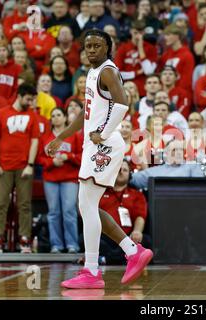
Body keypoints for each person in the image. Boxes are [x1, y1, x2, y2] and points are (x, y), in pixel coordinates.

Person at [46, 29, 153, 289]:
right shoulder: (93, 73)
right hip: (97, 143)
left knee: (86, 204)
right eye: (88, 46)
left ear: (107, 48)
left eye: (97, 46)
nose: (91, 50)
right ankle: (129, 251)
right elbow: (88, 111)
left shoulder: (107, 70)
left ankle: (95, 270)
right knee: (88, 206)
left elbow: (123, 103)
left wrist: (102, 133)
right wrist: (62, 137)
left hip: (104, 144)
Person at [0, 84, 40, 254]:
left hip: (23, 167)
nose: (31, 102)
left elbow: (35, 141)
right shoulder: (2, 113)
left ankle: (24, 240)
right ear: (20, 95)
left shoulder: (32, 116)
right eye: (29, 99)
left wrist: (30, 165)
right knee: (1, 204)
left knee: (24, 205)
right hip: (3, 166)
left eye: (32, 99)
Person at [37, 107, 82, 254]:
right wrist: (51, 162)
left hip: (69, 178)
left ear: (64, 118)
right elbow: (39, 157)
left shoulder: (74, 135)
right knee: (54, 212)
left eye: (59, 115)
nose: (55, 118)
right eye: (53, 115)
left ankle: (72, 245)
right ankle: (56, 245)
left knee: (69, 211)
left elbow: (82, 156)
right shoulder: (45, 137)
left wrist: (68, 157)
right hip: (50, 178)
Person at [98, 160, 151, 263]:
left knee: (146, 241)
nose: (121, 171)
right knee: (85, 239)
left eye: (125, 170)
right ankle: (126, 258)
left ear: (130, 175)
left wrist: (137, 231)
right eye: (118, 169)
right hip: (105, 236)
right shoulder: (100, 193)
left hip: (129, 236)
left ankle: (106, 259)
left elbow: (140, 216)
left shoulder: (137, 194)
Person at [131, 139, 205, 190]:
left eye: (181, 150)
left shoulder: (192, 166)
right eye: (174, 150)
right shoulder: (155, 171)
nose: (179, 152)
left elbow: (200, 187)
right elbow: (132, 179)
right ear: (166, 153)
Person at [114, 19, 158, 97]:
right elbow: (118, 74)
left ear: (144, 32)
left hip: (144, 91)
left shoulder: (151, 48)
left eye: (140, 33)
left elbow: (148, 71)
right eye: (135, 33)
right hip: (126, 91)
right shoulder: (123, 48)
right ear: (131, 31)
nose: (138, 36)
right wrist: (136, 73)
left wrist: (140, 48)